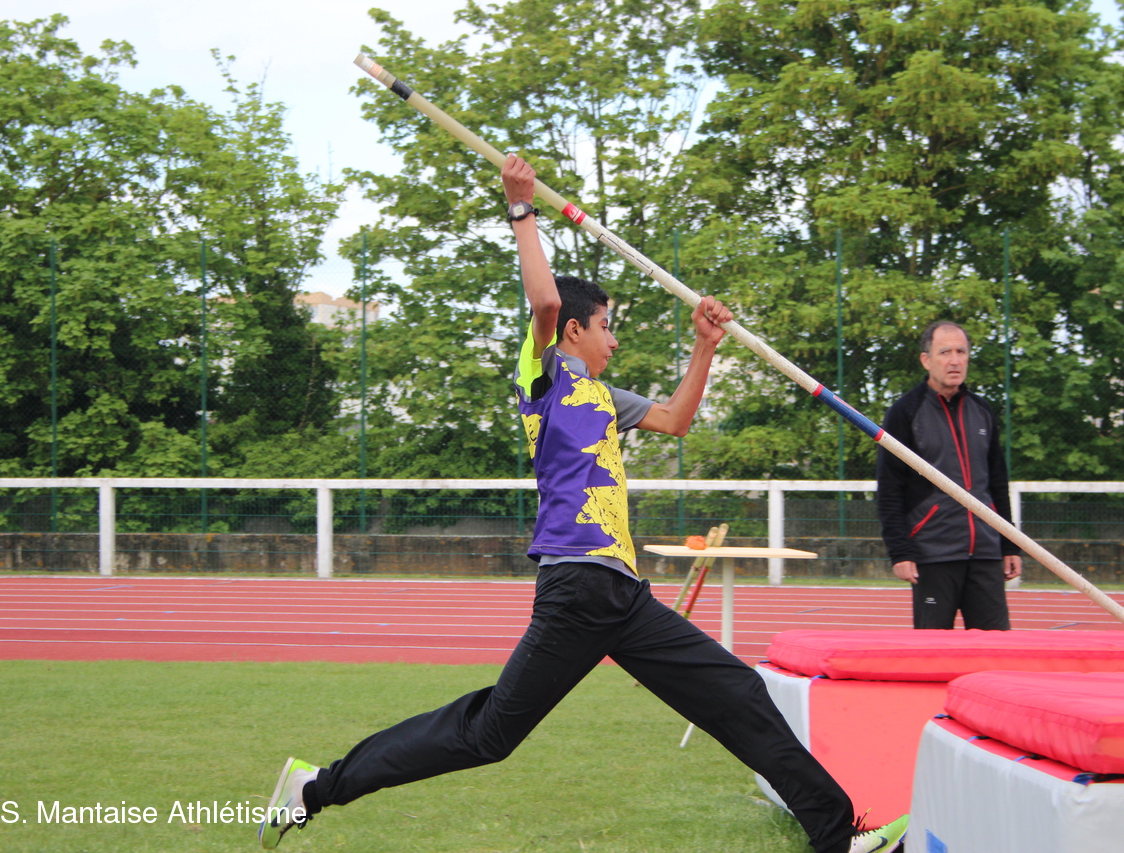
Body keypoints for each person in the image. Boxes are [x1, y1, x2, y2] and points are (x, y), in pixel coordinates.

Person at [256, 155, 908, 853]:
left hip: (620, 595)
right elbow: (543, 303)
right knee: (489, 734)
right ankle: (315, 787)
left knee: (739, 692)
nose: (614, 338)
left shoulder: (604, 396)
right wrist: (521, 209)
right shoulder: (542, 376)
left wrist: (704, 346)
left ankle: (837, 836)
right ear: (574, 332)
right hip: (576, 586)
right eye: (605, 325)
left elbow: (676, 419)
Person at [876, 321, 1023, 630]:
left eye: (961, 352)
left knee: (996, 648)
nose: (955, 360)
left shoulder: (982, 411)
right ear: (926, 360)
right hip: (933, 553)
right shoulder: (905, 412)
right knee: (932, 649)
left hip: (986, 552)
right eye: (945, 352)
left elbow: (997, 482)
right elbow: (889, 488)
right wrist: (900, 552)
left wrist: (1010, 545)